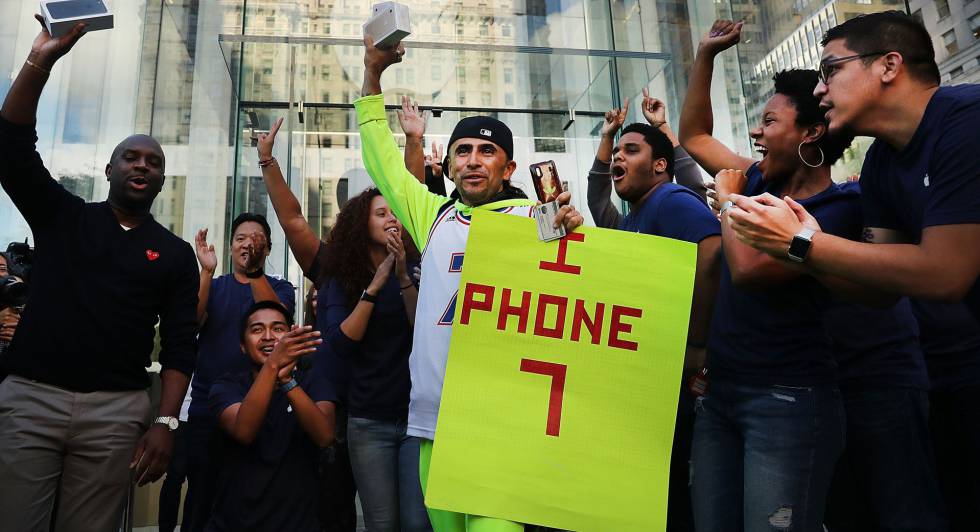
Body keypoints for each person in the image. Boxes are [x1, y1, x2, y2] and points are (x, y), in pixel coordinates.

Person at [358, 36, 584, 531]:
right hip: (433, 421)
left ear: (509, 167)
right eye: (463, 150)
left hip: (501, 424)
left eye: (487, 151)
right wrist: (373, 75)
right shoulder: (432, 216)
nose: (473, 160)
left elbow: (576, 277)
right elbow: (381, 159)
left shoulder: (535, 217)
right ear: (451, 163)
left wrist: (570, 230)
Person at [0, 16, 198, 531]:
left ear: (160, 179)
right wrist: (40, 61)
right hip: (30, 401)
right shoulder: (63, 217)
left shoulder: (175, 255)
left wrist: (165, 422)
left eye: (151, 161)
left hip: (115, 415)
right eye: (129, 157)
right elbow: (11, 151)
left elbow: (180, 345)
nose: (140, 165)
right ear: (109, 170)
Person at [678, 20, 862, 532]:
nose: (756, 132)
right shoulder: (758, 179)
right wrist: (706, 56)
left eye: (769, 121)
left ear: (811, 132)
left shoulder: (837, 208)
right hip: (721, 397)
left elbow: (752, 270)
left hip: (787, 403)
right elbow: (693, 134)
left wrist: (731, 201)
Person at [726, 10, 980, 318]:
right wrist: (796, 248)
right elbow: (879, 292)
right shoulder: (879, 161)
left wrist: (803, 241)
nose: (819, 89)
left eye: (830, 70)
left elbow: (946, 274)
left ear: (888, 66)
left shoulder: (968, 119)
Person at [586, 91, 721, 532]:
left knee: (678, 498)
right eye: (616, 154)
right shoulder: (633, 219)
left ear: (659, 165)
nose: (617, 160)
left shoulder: (671, 200)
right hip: (659, 385)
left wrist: (697, 345)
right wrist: (608, 137)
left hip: (687, 380)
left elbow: (712, 250)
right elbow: (596, 200)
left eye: (631, 150)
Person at [184, 213, 295, 531]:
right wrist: (206, 272)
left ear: (269, 249)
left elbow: (278, 318)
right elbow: (192, 321)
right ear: (231, 247)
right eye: (241, 238)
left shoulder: (280, 287)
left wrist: (256, 271)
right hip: (209, 410)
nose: (248, 243)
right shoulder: (215, 286)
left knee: (256, 497)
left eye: (257, 238)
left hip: (263, 410)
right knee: (202, 498)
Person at [206, 300, 335, 532]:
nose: (268, 336)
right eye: (257, 330)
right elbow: (244, 431)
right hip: (234, 525)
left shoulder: (313, 382)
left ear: (291, 336)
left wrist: (287, 380)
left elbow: (324, 436)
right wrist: (274, 365)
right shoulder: (226, 387)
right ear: (243, 346)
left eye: (278, 329)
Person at [158, 388, 193, 532]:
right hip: (180, 418)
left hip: (203, 417)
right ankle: (165, 528)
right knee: (174, 478)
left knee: (197, 482)